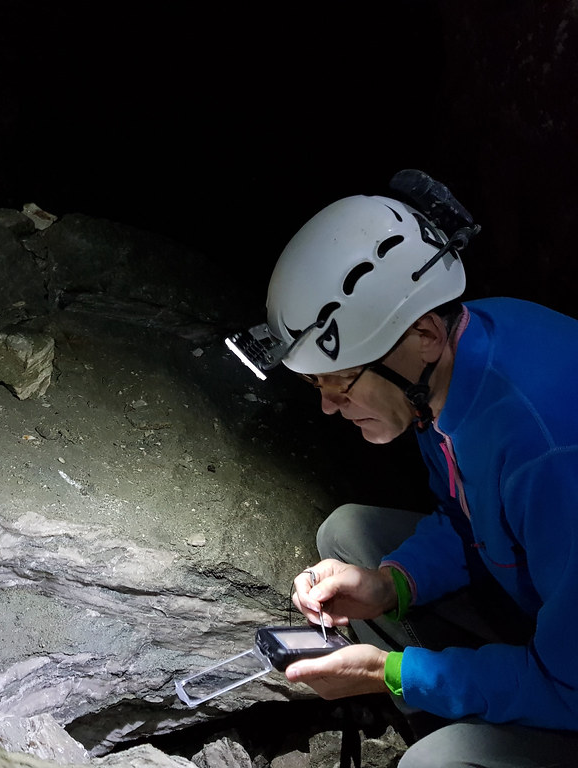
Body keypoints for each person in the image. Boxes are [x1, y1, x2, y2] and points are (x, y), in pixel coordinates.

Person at [226, 171, 578, 767]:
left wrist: (387, 671)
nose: (327, 406)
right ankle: (465, 698)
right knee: (349, 539)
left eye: (339, 382)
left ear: (424, 335)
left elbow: (570, 687)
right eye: (316, 384)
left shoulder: (549, 455)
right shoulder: (441, 373)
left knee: (433, 766)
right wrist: (389, 585)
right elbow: (467, 519)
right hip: (549, 610)